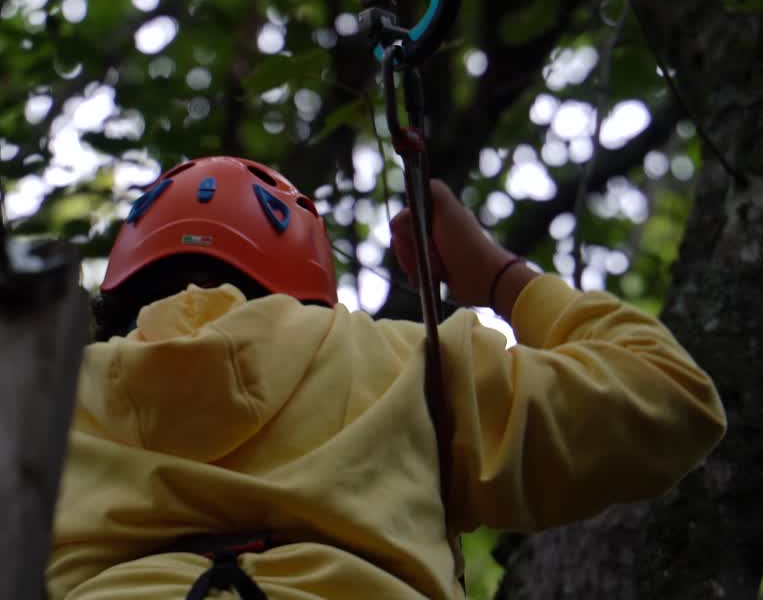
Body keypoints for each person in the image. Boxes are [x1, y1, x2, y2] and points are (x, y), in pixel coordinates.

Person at [48, 155, 727, 600]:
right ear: (309, 286)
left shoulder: (45, 412)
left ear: (117, 295)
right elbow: (667, 395)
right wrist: (498, 277)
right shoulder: (404, 366)